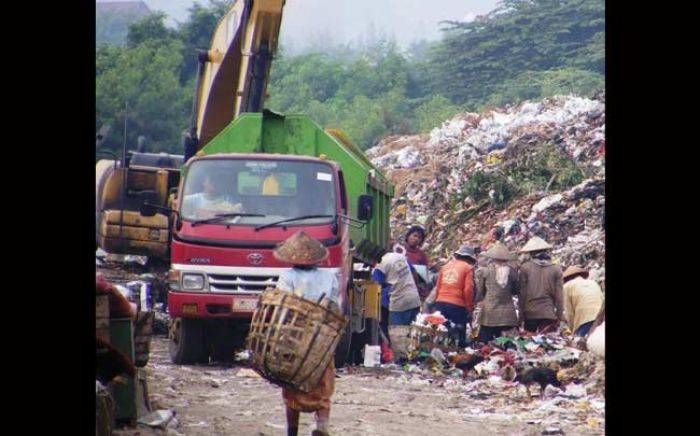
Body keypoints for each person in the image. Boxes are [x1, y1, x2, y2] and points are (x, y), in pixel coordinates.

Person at [273, 231, 340, 436]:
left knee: (292, 381)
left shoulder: (287, 276)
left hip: (295, 335)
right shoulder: (329, 277)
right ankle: (322, 426)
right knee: (323, 379)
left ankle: (292, 431)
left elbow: (283, 304)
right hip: (321, 336)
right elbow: (335, 306)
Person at [372, 247, 422, 362]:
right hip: (414, 298)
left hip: (400, 302)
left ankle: (401, 361)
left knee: (397, 333)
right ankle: (414, 359)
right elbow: (414, 273)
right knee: (412, 332)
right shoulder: (400, 257)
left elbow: (375, 285)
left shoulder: (381, 265)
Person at [430, 245, 477, 346]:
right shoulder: (468, 268)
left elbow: (438, 287)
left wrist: (437, 303)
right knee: (458, 336)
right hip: (457, 306)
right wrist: (469, 309)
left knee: (441, 332)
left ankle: (440, 355)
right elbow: (468, 290)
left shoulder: (445, 267)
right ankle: (457, 354)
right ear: (470, 259)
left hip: (440, 302)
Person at [475, 242, 520, 342]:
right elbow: (516, 290)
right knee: (509, 346)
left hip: (490, 313)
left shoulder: (485, 271)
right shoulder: (512, 272)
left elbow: (479, 292)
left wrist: (477, 303)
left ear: (492, 258)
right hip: (508, 315)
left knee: (485, 344)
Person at [517, 236, 564, 333]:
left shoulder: (525, 268)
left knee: (530, 345)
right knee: (549, 345)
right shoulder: (556, 268)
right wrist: (559, 316)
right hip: (548, 313)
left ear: (531, 253)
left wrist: (520, 316)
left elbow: (522, 294)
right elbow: (559, 296)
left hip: (530, 314)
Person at [562, 266, 604, 337]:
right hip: (600, 317)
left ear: (568, 278)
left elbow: (569, 312)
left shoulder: (567, 286)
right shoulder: (593, 282)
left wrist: (572, 330)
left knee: (578, 343)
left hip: (584, 318)